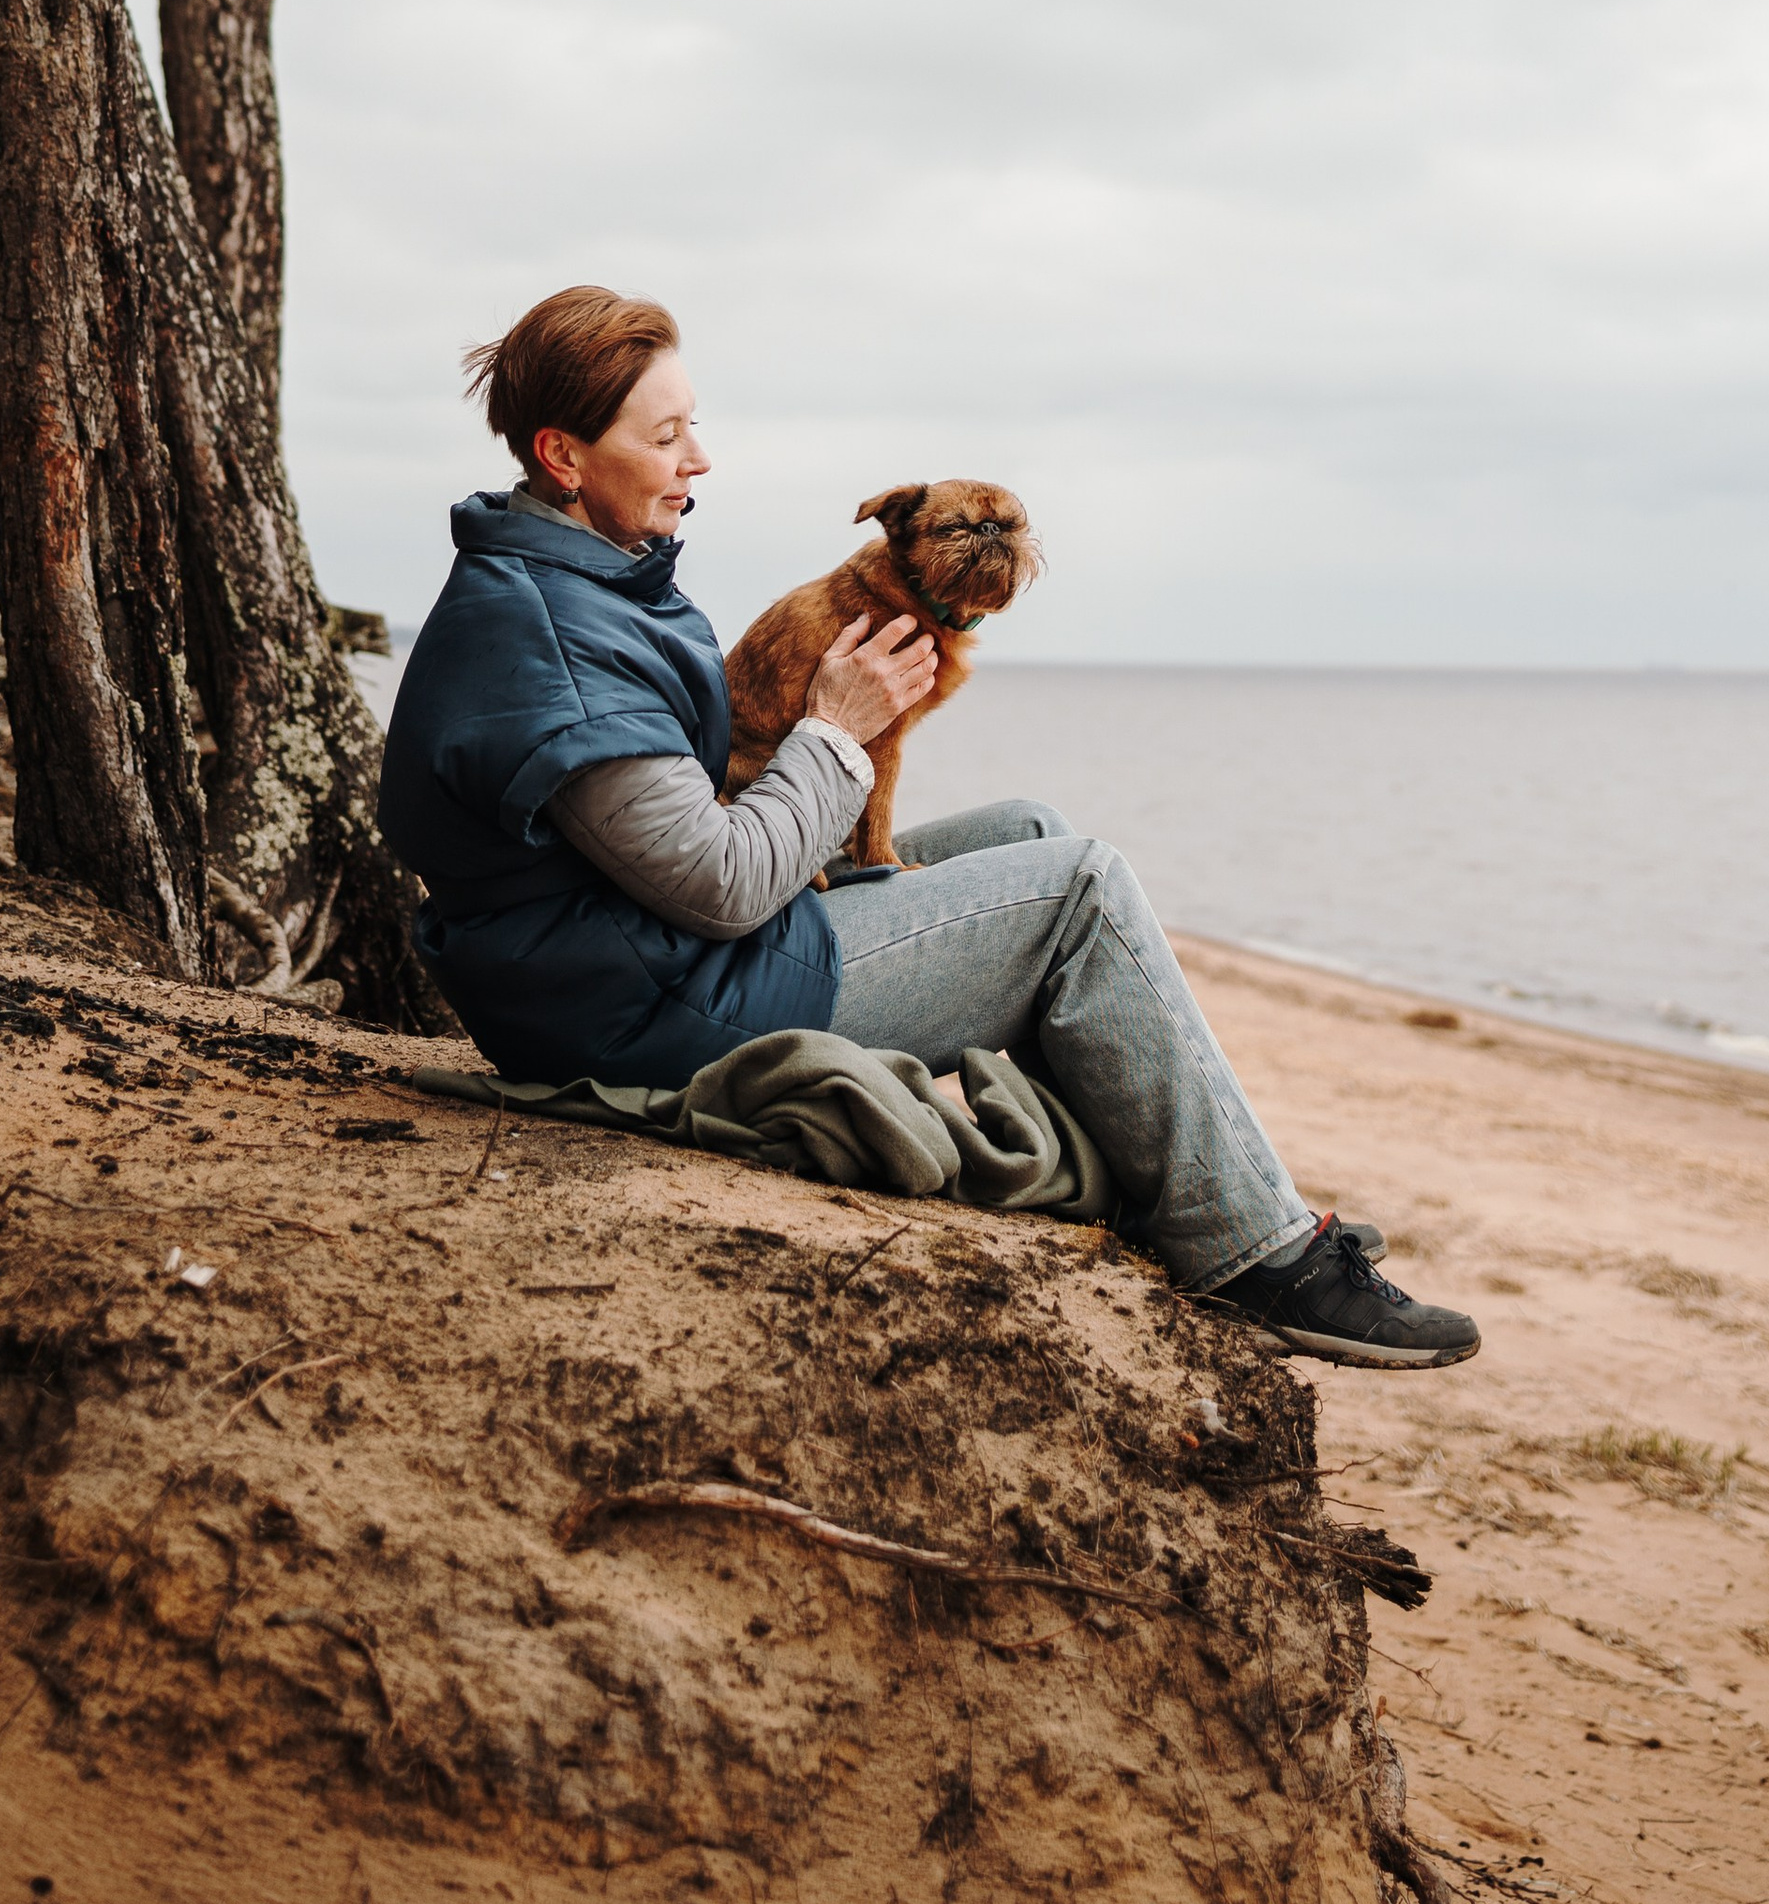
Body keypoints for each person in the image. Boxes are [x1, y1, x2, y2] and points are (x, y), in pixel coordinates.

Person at [378, 282, 1480, 1374]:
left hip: (632, 963)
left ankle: (1176, 1186)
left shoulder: (568, 586)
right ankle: (1261, 1253)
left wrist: (828, 758)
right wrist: (837, 732)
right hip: (656, 1009)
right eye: (666, 437)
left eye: (692, 429)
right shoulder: (558, 641)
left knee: (1032, 831)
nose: (698, 460)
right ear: (564, 457)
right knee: (1080, 884)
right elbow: (717, 885)